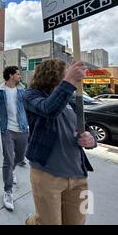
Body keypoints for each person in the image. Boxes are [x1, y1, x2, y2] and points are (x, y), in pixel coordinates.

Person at [23, 59, 97, 225]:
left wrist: (91, 139)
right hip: (47, 175)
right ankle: (32, 221)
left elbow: (86, 128)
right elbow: (49, 110)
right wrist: (69, 81)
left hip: (79, 176)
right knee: (49, 222)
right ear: (54, 73)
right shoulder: (31, 95)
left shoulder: (71, 100)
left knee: (78, 222)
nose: (70, 73)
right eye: (67, 71)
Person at [0, 66, 29, 211]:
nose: (20, 76)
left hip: (22, 128)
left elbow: (28, 107)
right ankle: (8, 191)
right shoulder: (0, 90)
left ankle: (12, 170)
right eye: (18, 74)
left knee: (20, 157)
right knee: (8, 159)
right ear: (10, 75)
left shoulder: (23, 90)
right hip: (7, 129)